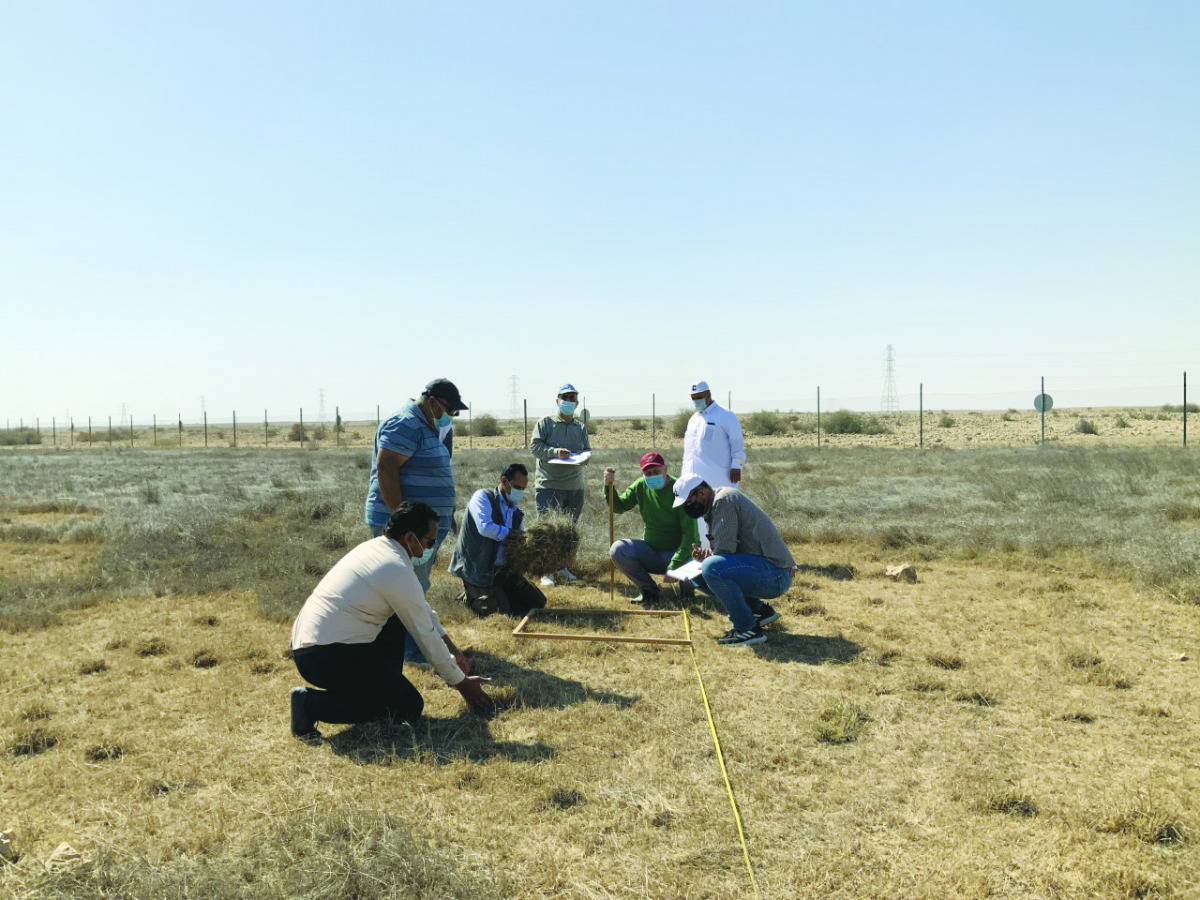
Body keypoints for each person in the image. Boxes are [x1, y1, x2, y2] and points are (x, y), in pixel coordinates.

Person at [288, 501, 494, 739]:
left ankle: (386, 686)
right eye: (429, 542)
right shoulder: (394, 567)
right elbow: (424, 633)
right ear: (410, 538)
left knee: (402, 694)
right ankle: (309, 704)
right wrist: (461, 683)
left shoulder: (377, 549)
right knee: (406, 707)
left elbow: (422, 611)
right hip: (324, 657)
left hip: (316, 648)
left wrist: (454, 652)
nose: (431, 549)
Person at [365, 378, 466, 662]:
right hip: (406, 528)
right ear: (432, 402)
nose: (451, 416)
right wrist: (403, 521)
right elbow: (386, 467)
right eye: (450, 410)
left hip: (420, 528)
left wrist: (446, 512)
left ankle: (409, 647)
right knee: (406, 590)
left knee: (414, 588)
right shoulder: (405, 423)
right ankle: (410, 651)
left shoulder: (429, 425)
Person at [672, 473, 794, 647]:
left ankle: (746, 628)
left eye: (688, 501)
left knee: (711, 568)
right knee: (697, 573)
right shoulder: (713, 505)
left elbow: (725, 550)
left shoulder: (723, 500)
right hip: (766, 569)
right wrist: (706, 557)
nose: (687, 506)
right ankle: (758, 611)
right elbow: (728, 550)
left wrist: (709, 559)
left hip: (776, 574)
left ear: (701, 492)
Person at [448, 463, 547, 616]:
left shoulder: (516, 513)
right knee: (497, 610)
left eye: (523, 488)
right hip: (478, 568)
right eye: (517, 487)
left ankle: (499, 594)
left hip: (502, 570)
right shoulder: (482, 497)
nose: (520, 492)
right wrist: (512, 533)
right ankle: (469, 597)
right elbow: (485, 528)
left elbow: (519, 539)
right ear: (504, 481)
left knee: (537, 601)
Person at [602, 452, 700, 605]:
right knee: (618, 549)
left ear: (665, 469)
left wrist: (675, 564)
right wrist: (608, 487)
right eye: (648, 473)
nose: (652, 475)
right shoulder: (640, 485)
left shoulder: (681, 490)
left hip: (679, 554)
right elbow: (619, 507)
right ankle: (649, 591)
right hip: (652, 552)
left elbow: (690, 535)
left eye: (656, 471)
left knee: (695, 557)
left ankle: (687, 594)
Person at [530, 383, 591, 586]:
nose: (569, 401)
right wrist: (555, 452)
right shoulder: (545, 423)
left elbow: (587, 451)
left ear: (577, 402)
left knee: (567, 531)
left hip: (574, 486)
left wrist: (583, 456)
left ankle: (562, 567)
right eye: (565, 398)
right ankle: (546, 570)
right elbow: (535, 447)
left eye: (573, 398)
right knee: (547, 530)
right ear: (557, 401)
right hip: (549, 485)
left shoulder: (580, 427)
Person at [681, 380, 746, 490]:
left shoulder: (725, 414)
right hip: (692, 480)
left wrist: (736, 465)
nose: (697, 401)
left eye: (699, 397)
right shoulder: (693, 419)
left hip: (718, 478)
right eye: (693, 398)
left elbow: (737, 441)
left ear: (708, 394)